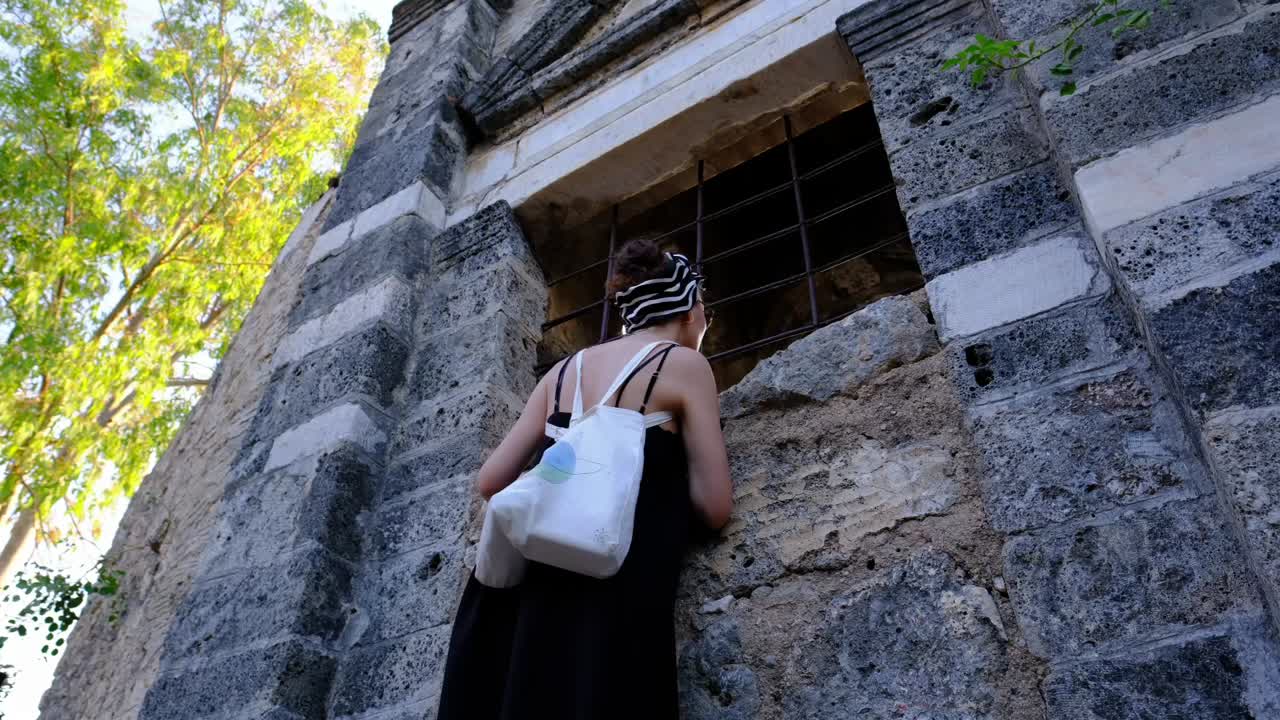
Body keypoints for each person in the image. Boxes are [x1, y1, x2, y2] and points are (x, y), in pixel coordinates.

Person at [436, 236, 733, 720]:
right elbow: (715, 506)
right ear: (687, 311)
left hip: (533, 594)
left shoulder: (561, 372)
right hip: (615, 592)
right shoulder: (684, 365)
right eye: (704, 309)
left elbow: (490, 481)